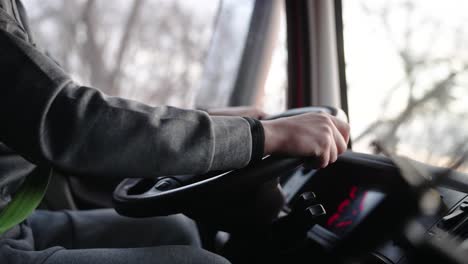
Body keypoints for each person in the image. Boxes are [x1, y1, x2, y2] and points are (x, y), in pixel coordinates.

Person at [0, 0, 350, 263]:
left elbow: (64, 103)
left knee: (177, 228)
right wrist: (258, 136)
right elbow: (72, 122)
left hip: (16, 225)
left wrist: (208, 118)